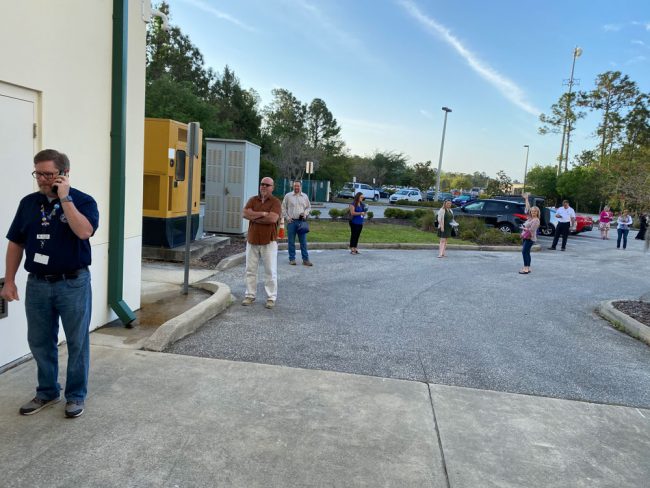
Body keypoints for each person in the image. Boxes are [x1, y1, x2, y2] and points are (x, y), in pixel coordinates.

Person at [1, 149, 99, 418]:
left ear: (64, 174)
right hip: (38, 284)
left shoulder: (84, 201)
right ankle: (47, 391)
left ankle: (76, 396)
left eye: (48, 174)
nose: (42, 179)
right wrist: (9, 281)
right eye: (38, 173)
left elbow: (84, 231)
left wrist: (65, 198)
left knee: (77, 341)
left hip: (73, 283)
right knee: (40, 341)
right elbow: (16, 243)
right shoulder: (28, 203)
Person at [242, 177, 281, 309]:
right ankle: (250, 295)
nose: (263, 186)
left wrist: (255, 216)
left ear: (272, 187)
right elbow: (245, 213)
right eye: (262, 184)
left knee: (270, 271)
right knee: (250, 270)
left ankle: (271, 297)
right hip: (252, 240)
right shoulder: (253, 200)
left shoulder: (275, 202)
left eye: (267, 185)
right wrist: (263, 213)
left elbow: (273, 218)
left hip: (268, 241)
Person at [282, 180, 312, 266]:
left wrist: (305, 214)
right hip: (291, 222)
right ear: (293, 186)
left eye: (298, 186)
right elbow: (283, 208)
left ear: (300, 187)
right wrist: (287, 217)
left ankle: (305, 260)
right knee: (291, 242)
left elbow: (308, 207)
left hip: (301, 222)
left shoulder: (305, 196)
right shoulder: (288, 196)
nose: (296, 187)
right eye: (295, 186)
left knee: (303, 242)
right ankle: (292, 259)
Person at [519, 195, 540, 274]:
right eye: (532, 211)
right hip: (526, 237)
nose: (533, 212)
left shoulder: (536, 220)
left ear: (537, 212)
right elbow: (528, 208)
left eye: (535, 211)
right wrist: (526, 199)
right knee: (526, 252)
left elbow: (532, 230)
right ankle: (528, 267)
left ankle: (526, 268)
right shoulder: (530, 218)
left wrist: (523, 228)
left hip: (529, 238)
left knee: (524, 252)